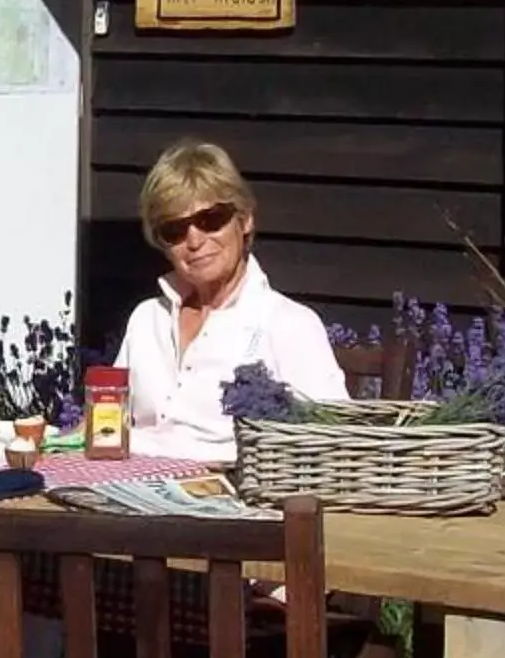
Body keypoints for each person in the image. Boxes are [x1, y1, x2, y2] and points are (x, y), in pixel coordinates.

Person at [115, 138, 348, 462]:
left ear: (245, 219)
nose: (195, 240)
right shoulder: (147, 319)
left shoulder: (287, 325)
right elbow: (107, 424)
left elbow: (334, 442)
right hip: (128, 494)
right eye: (175, 230)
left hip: (234, 498)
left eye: (211, 220)